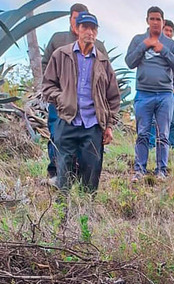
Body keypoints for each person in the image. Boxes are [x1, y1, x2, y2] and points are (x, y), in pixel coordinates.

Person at [42, 12, 120, 193]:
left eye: (93, 28)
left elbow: (113, 97)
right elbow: (47, 86)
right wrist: (62, 100)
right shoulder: (61, 55)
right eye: (85, 27)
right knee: (63, 172)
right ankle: (64, 214)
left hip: (92, 125)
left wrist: (108, 125)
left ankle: (86, 213)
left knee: (91, 172)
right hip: (67, 121)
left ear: (97, 32)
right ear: (77, 29)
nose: (89, 32)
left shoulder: (103, 61)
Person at [125, 6, 174, 181]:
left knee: (163, 134)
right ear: (147, 21)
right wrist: (144, 46)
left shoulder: (171, 44)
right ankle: (139, 170)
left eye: (158, 19)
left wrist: (164, 50)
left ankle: (161, 171)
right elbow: (129, 62)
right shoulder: (138, 40)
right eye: (152, 19)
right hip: (144, 93)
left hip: (165, 95)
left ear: (163, 22)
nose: (155, 22)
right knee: (143, 133)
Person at [149, 19, 174, 150]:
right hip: (154, 89)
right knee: (153, 120)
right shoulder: (152, 47)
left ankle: (172, 147)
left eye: (171, 31)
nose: (168, 33)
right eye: (166, 30)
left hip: (170, 90)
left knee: (172, 121)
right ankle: (151, 145)